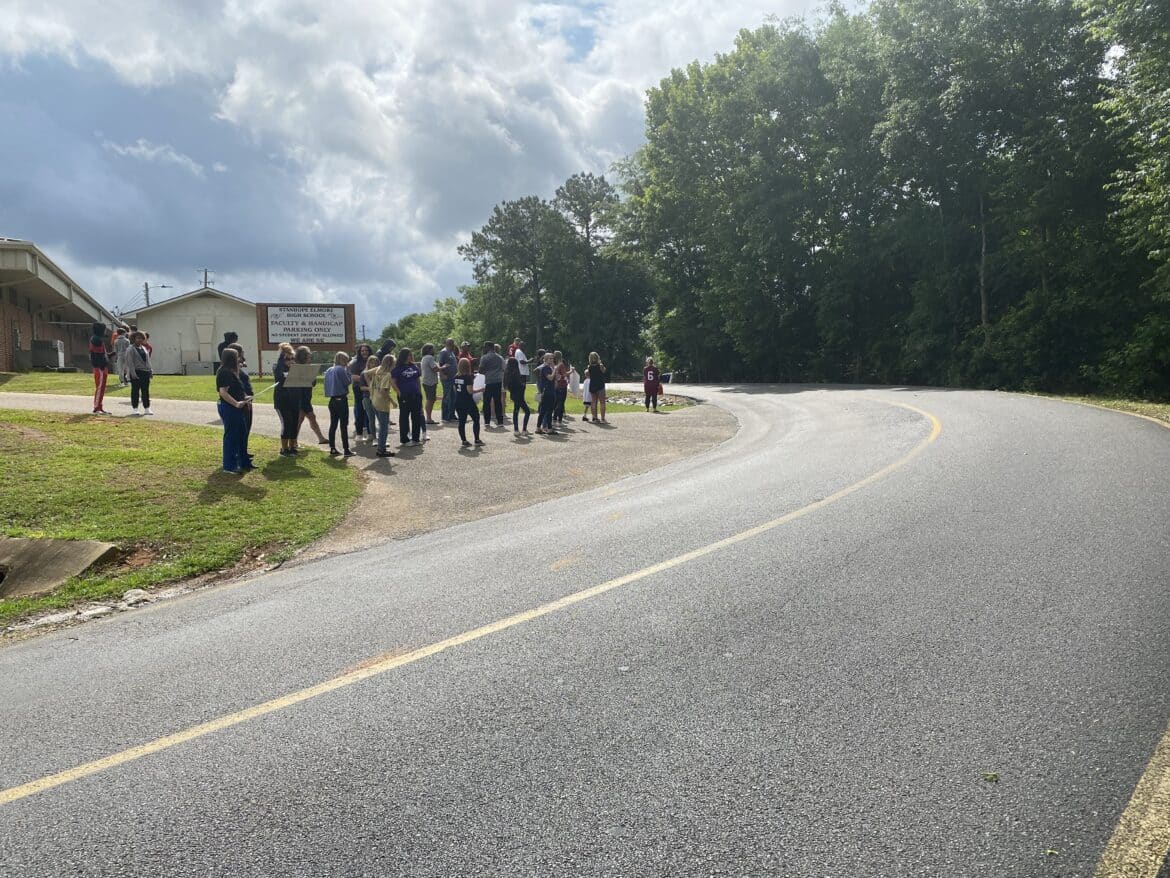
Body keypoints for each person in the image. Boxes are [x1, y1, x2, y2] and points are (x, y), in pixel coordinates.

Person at [215, 347, 251, 474]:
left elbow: (236, 390)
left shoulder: (233, 372)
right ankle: (229, 465)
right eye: (237, 357)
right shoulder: (224, 372)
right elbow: (223, 392)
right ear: (231, 359)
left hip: (237, 407)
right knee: (231, 436)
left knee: (241, 434)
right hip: (229, 408)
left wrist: (245, 398)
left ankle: (241, 462)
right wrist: (236, 403)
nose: (239, 359)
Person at [226, 343, 255, 467]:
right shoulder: (231, 372)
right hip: (241, 404)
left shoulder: (239, 368)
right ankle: (239, 456)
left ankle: (244, 453)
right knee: (240, 432)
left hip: (247, 402)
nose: (242, 356)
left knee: (246, 430)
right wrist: (243, 399)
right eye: (240, 353)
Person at [294, 345, 330, 446]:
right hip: (300, 399)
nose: (310, 358)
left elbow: (313, 383)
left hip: (306, 397)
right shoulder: (297, 368)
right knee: (303, 419)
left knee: (307, 418)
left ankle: (320, 438)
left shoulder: (309, 368)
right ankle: (294, 441)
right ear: (303, 356)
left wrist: (311, 376)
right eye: (308, 356)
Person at [272, 342, 302, 456]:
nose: (290, 361)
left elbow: (310, 381)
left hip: (295, 400)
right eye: (287, 359)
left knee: (294, 424)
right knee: (287, 424)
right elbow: (279, 376)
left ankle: (292, 447)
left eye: (292, 358)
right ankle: (284, 449)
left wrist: (295, 367)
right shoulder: (278, 367)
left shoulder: (296, 368)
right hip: (282, 401)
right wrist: (282, 360)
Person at [323, 352, 356, 456]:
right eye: (346, 360)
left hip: (332, 400)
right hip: (341, 399)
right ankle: (346, 449)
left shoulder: (329, 370)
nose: (347, 362)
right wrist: (349, 371)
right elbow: (347, 382)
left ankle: (332, 448)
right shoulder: (341, 369)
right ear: (343, 360)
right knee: (343, 425)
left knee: (333, 425)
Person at [391, 347, 424, 445]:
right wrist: (398, 392)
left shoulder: (414, 366)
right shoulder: (397, 368)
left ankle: (415, 439)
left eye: (411, 355)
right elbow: (393, 382)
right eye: (409, 355)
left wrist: (419, 392)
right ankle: (404, 439)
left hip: (416, 395)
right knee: (404, 417)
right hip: (404, 395)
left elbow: (417, 380)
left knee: (416, 417)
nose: (410, 357)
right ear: (404, 356)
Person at [369, 354, 397, 458]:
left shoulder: (377, 370)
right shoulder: (387, 374)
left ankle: (381, 448)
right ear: (391, 363)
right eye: (394, 363)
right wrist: (392, 401)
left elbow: (365, 373)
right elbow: (383, 390)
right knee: (384, 428)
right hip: (382, 403)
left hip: (374, 400)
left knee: (382, 426)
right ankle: (381, 450)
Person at [452, 358, 484, 447]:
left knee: (462, 421)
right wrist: (481, 390)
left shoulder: (455, 377)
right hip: (467, 401)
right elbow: (470, 391)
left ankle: (464, 441)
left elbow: (454, 390)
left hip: (458, 401)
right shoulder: (468, 377)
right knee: (476, 418)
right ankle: (477, 439)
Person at [124, 331, 154, 415]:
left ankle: (147, 408)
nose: (139, 340)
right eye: (138, 338)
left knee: (145, 391)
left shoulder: (144, 348)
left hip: (145, 372)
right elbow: (130, 362)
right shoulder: (130, 349)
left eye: (141, 338)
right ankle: (135, 408)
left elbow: (148, 361)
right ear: (134, 339)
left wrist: (150, 371)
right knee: (135, 391)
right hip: (136, 372)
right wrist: (133, 374)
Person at [478, 341, 505, 428]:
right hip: (498, 381)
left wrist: (486, 371)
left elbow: (480, 370)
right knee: (497, 401)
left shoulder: (484, 357)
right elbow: (502, 369)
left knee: (487, 402)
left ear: (488, 347)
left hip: (488, 381)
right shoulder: (499, 357)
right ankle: (500, 421)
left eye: (485, 347)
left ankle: (487, 421)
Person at [350, 343, 372, 439]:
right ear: (359, 352)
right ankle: (359, 433)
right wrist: (365, 378)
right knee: (360, 410)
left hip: (370, 389)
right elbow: (353, 377)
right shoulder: (355, 363)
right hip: (358, 389)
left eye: (366, 350)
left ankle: (370, 432)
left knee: (370, 411)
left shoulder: (372, 361)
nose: (364, 352)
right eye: (362, 351)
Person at [504, 356, 531, 434]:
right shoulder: (516, 372)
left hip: (513, 395)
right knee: (527, 411)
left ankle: (516, 430)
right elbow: (519, 385)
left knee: (516, 411)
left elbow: (507, 386)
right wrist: (523, 385)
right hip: (519, 395)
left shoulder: (507, 373)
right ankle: (524, 429)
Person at [534, 352, 558, 435]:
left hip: (548, 391)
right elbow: (550, 378)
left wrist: (555, 372)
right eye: (550, 358)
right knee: (547, 411)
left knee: (544, 410)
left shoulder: (549, 368)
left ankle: (539, 428)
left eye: (552, 358)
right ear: (545, 359)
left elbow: (554, 378)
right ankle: (548, 429)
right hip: (547, 392)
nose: (552, 360)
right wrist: (554, 369)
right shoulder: (545, 368)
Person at [359, 353, 380, 441]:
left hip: (379, 398)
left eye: (375, 363)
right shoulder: (364, 373)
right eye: (372, 363)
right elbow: (361, 387)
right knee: (371, 418)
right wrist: (370, 388)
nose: (374, 364)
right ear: (368, 363)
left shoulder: (380, 373)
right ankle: (374, 437)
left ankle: (382, 438)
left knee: (381, 419)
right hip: (367, 398)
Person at [420, 343, 441, 425]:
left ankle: (428, 417)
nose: (434, 350)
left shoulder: (424, 357)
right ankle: (428, 418)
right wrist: (443, 367)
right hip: (430, 382)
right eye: (432, 349)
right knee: (430, 400)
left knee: (431, 398)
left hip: (426, 381)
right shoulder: (430, 357)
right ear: (429, 350)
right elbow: (435, 369)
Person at [438, 338, 459, 423]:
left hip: (453, 378)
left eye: (453, 342)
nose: (452, 344)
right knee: (447, 397)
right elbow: (440, 364)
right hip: (447, 378)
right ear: (446, 343)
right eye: (450, 342)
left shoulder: (451, 352)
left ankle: (452, 415)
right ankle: (445, 416)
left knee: (453, 397)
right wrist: (442, 374)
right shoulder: (444, 352)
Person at [585, 351, 608, 423]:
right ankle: (603, 419)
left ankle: (595, 418)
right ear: (597, 357)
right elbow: (604, 371)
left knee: (593, 402)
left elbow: (588, 375)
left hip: (592, 385)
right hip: (600, 385)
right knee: (602, 402)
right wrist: (600, 363)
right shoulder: (600, 365)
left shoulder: (589, 367)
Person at [552, 351, 569, 426]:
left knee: (557, 403)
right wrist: (571, 371)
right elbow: (564, 374)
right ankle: (559, 420)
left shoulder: (555, 365)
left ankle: (554, 419)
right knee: (561, 403)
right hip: (562, 385)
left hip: (557, 386)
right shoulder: (561, 364)